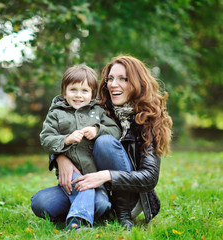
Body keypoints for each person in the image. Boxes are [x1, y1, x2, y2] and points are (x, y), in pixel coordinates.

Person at [31, 55, 173, 230]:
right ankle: (97, 207)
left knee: (105, 141)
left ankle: (118, 212)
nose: (113, 84)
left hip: (126, 196)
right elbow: (58, 132)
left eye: (123, 79)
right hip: (91, 184)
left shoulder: (148, 119)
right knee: (41, 202)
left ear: (137, 83)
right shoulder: (97, 107)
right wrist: (60, 158)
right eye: (110, 78)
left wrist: (106, 176)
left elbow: (149, 177)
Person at [38, 64, 122, 231]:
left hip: (94, 174)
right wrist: (66, 139)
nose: (78, 95)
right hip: (70, 173)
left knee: (101, 203)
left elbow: (116, 131)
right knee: (41, 202)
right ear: (64, 92)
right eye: (73, 90)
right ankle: (78, 223)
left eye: (84, 91)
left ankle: (78, 213)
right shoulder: (56, 113)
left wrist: (97, 130)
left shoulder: (97, 112)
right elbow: (46, 139)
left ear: (92, 95)